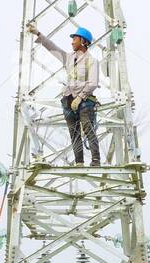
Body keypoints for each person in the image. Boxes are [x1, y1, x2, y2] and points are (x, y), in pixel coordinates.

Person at [26, 21, 101, 165]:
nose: (72, 42)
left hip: (84, 102)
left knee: (88, 130)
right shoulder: (68, 58)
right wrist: (37, 33)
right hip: (68, 101)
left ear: (84, 41)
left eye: (75, 39)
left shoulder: (91, 61)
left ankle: (96, 159)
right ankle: (79, 161)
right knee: (74, 133)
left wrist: (80, 97)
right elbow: (52, 47)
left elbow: (92, 83)